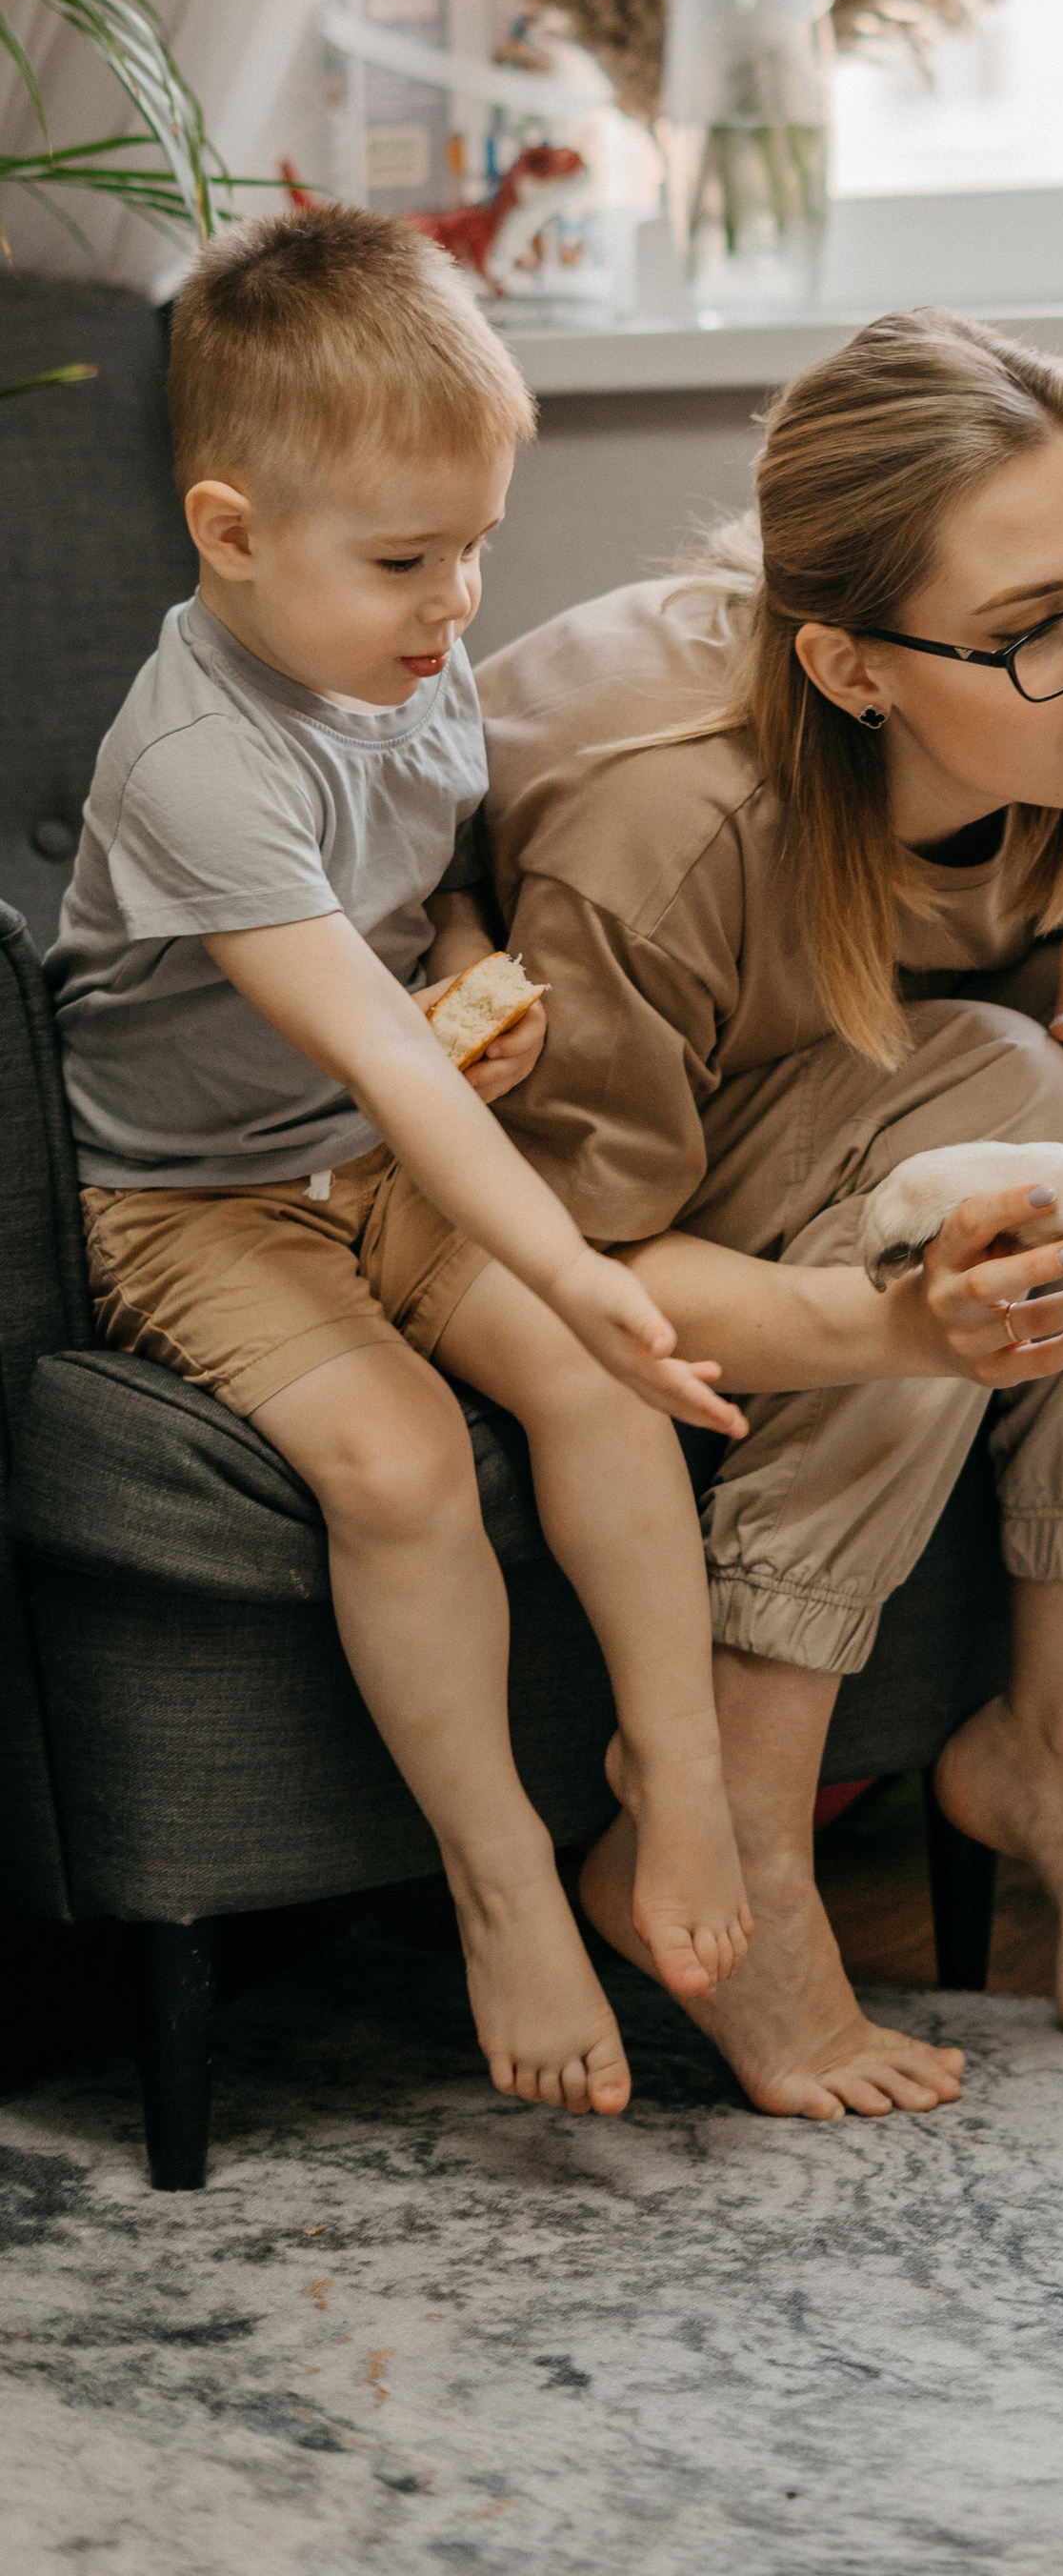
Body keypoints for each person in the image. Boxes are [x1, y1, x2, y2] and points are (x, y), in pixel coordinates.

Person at [475, 307, 1063, 2123]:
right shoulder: (662, 823)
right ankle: (728, 1825)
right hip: (527, 1207)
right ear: (849, 668)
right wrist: (902, 1319)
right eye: (1041, 627)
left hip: (787, 1104)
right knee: (992, 1098)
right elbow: (583, 1258)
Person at [45, 209, 752, 2120]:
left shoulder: (407, 666)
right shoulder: (200, 757)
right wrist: (575, 1251)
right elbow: (360, 1047)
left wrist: (471, 987)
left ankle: (676, 1779)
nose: (455, 610)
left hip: (375, 1145)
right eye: (401, 562)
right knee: (403, 1453)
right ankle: (503, 1879)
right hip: (192, 1203)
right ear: (228, 534)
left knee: (588, 1384)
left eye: (475, 550)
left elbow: (416, 939)